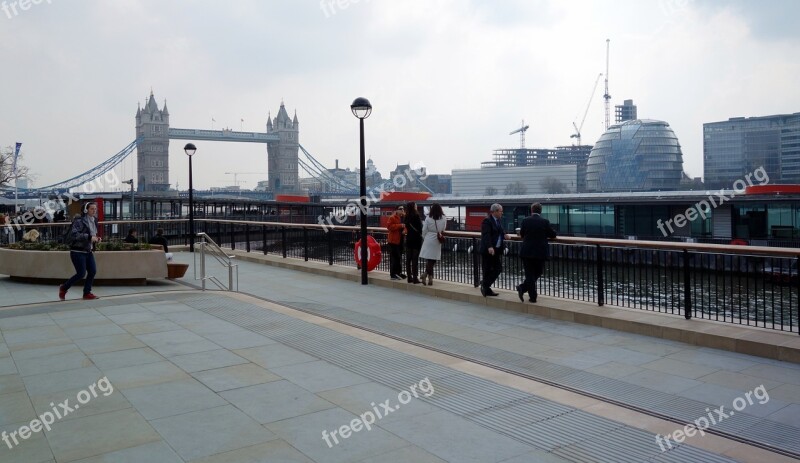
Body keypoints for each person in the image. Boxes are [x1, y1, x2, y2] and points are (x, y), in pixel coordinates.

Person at [59, 202, 101, 300]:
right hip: (77, 251)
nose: (94, 211)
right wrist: (90, 237)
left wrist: (96, 239)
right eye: (92, 209)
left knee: (92, 271)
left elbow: (92, 235)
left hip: (88, 251)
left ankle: (87, 293)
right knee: (81, 273)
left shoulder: (94, 220)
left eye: (95, 209)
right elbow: (75, 235)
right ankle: (64, 287)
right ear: (86, 210)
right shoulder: (79, 221)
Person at [517, 202, 557, 303]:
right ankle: (530, 294)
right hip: (540, 252)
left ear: (532, 210)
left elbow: (521, 234)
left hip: (526, 252)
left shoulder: (525, 220)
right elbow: (552, 235)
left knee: (529, 274)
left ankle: (525, 289)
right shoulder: (544, 221)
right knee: (538, 272)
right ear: (541, 211)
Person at [480, 203, 510, 297]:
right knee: (487, 269)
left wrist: (505, 234)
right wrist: (489, 246)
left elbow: (500, 230)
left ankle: (485, 285)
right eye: (501, 211)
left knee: (498, 268)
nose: (502, 213)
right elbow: (486, 235)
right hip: (488, 250)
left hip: (496, 250)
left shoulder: (498, 220)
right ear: (495, 211)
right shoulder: (487, 221)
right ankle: (486, 288)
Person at [418, 203, 446, 286]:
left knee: (430, 259)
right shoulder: (444, 218)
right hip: (437, 239)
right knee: (433, 259)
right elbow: (443, 229)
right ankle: (429, 278)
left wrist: (424, 237)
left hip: (428, 238)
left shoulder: (428, 218)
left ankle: (425, 275)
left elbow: (424, 229)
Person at [404, 201, 423, 284]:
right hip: (416, 240)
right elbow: (420, 228)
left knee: (408, 259)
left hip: (408, 239)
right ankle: (415, 278)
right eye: (416, 205)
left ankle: (409, 277)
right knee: (415, 259)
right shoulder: (416, 216)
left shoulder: (406, 216)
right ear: (414, 207)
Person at [386, 205, 407, 280]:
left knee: (399, 257)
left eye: (403, 209)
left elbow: (406, 226)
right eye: (400, 209)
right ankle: (393, 274)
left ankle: (399, 273)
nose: (402, 210)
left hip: (401, 240)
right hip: (393, 241)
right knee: (395, 258)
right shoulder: (392, 217)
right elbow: (389, 227)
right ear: (396, 210)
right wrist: (400, 225)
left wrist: (405, 230)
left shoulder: (404, 218)